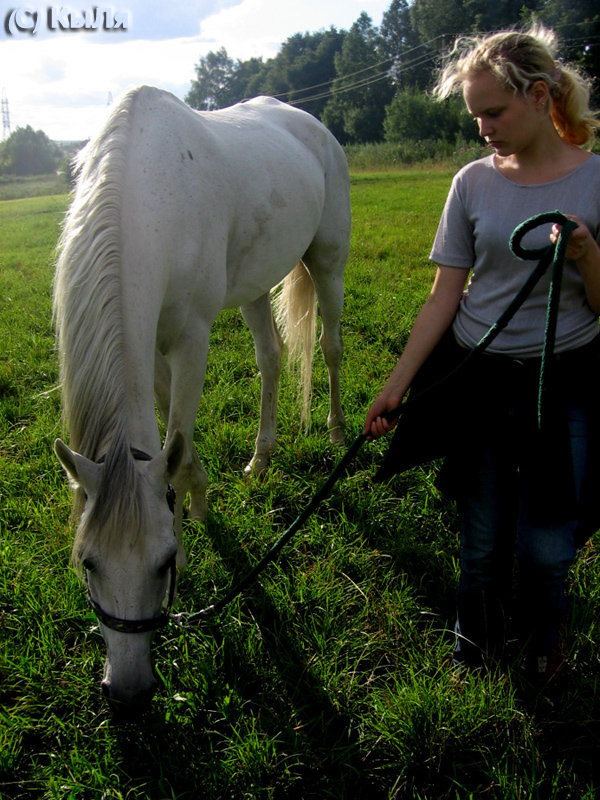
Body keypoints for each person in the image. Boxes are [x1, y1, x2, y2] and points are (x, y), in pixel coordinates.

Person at [364, 26, 600, 682]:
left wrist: (586, 254)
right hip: (479, 379)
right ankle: (473, 643)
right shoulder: (471, 183)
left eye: (493, 112)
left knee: (550, 546)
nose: (483, 128)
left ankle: (546, 634)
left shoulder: (597, 181)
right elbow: (444, 298)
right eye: (475, 116)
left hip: (564, 380)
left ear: (540, 95)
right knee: (482, 535)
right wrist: (397, 384)